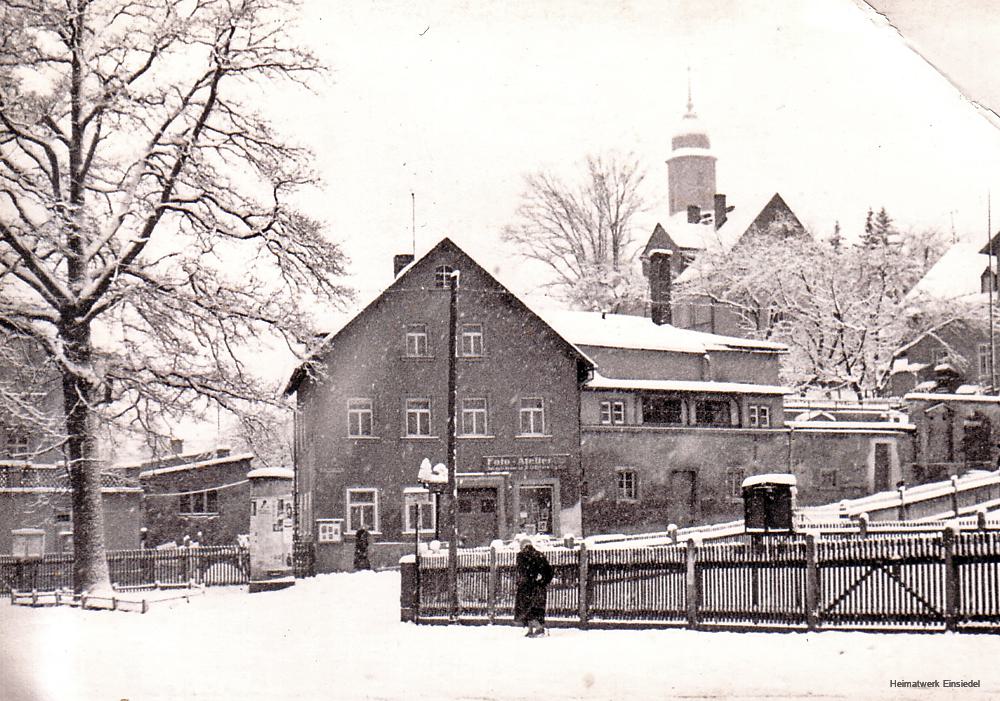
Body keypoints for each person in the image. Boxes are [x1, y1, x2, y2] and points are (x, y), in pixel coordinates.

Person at [514, 535, 553, 638]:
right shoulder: (539, 555)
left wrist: (522, 582)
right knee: (536, 608)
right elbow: (549, 571)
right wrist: (543, 581)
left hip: (526, 587)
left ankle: (537, 628)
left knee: (526, 608)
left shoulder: (522, 556)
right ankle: (532, 629)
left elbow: (522, 572)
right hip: (539, 587)